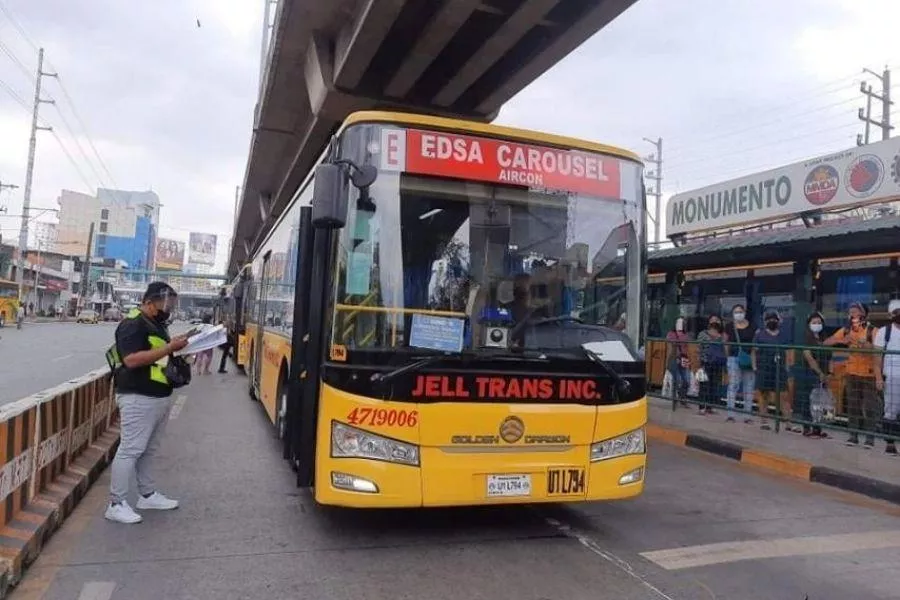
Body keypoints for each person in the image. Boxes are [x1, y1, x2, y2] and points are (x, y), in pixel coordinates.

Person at [105, 282, 189, 524]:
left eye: (171, 304)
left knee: (148, 449)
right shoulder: (133, 323)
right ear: (149, 302)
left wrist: (176, 347)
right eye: (165, 304)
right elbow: (130, 360)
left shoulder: (157, 324)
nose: (169, 308)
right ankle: (116, 503)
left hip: (157, 395)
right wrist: (170, 347)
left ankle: (147, 494)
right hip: (137, 396)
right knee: (130, 449)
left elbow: (159, 355)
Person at [824, 302, 879, 447]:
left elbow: (879, 350)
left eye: (856, 312)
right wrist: (842, 340)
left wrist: (866, 345)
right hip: (851, 373)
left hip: (869, 374)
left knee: (869, 407)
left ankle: (869, 438)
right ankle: (853, 436)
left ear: (864, 314)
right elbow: (826, 342)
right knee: (853, 406)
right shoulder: (846, 330)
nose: (853, 315)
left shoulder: (872, 330)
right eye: (851, 312)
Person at [752, 310, 794, 431]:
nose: (772, 321)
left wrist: (788, 368)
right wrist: (755, 367)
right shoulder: (759, 335)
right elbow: (754, 351)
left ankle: (788, 422)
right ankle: (764, 421)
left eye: (774, 319)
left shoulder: (783, 335)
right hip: (764, 369)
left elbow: (788, 352)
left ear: (778, 321)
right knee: (764, 396)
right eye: (769, 319)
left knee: (783, 397)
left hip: (780, 369)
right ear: (765, 322)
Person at [793, 312, 830, 438]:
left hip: (824, 374)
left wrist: (828, 373)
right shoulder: (806, 338)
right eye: (814, 322)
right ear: (809, 324)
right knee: (809, 400)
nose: (817, 325)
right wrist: (819, 372)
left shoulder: (825, 338)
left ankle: (819, 428)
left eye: (819, 322)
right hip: (809, 373)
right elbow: (809, 357)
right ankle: (807, 427)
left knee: (822, 401)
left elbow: (830, 356)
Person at [874, 299, 900, 455]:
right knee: (890, 410)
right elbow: (877, 359)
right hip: (892, 377)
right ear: (892, 315)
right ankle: (890, 443)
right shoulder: (884, 332)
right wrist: (878, 378)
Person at [725, 304, 756, 423]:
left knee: (748, 387)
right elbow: (726, 343)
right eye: (736, 312)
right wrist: (728, 358)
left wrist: (754, 361)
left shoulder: (752, 326)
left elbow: (755, 343)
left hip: (748, 359)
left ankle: (747, 416)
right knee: (733, 385)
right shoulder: (729, 326)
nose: (739, 314)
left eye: (740, 311)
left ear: (744, 312)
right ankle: (730, 414)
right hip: (733, 358)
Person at [697, 315, 727, 415]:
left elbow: (725, 349)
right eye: (713, 320)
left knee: (714, 386)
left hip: (717, 364)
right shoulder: (703, 334)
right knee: (704, 385)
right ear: (709, 322)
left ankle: (710, 407)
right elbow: (698, 348)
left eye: (717, 320)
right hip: (705, 362)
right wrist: (699, 363)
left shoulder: (722, 335)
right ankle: (701, 407)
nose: (715, 321)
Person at [665, 317, 692, 407]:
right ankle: (675, 400)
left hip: (684, 358)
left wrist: (689, 361)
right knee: (677, 379)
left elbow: (687, 348)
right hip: (674, 358)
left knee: (686, 380)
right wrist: (668, 361)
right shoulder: (670, 334)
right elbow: (670, 348)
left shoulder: (686, 335)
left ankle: (681, 396)